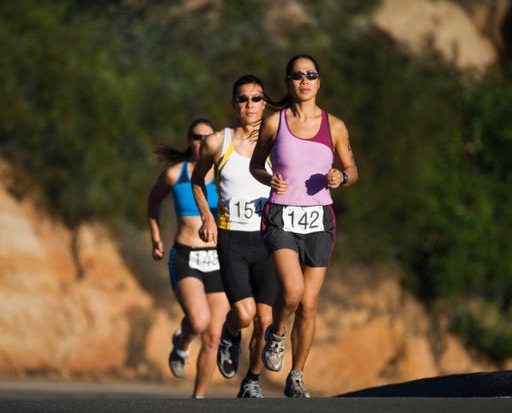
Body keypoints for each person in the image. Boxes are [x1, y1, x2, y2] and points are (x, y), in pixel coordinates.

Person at [249, 54, 358, 398]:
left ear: (319, 82)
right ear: (288, 82)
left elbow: (352, 169)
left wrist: (342, 177)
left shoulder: (335, 126)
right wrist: (268, 178)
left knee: (309, 305)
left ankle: (296, 375)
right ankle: (277, 334)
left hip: (319, 219)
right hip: (281, 215)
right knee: (292, 292)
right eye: (297, 75)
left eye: (311, 74)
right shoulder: (273, 123)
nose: (305, 80)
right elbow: (255, 166)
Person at [191, 75, 277, 398]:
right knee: (244, 313)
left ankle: (251, 380)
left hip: (268, 239)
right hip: (232, 239)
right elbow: (198, 182)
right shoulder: (217, 142)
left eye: (256, 99)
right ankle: (230, 331)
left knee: (265, 319)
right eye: (243, 99)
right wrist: (206, 216)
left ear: (264, 103)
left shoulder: (276, 142)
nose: (250, 105)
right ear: (233, 104)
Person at [147, 118, 230, 399]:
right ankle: (181, 345)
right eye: (197, 136)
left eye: (208, 136)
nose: (202, 141)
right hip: (186, 256)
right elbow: (153, 201)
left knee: (213, 337)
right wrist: (155, 237)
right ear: (189, 140)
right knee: (198, 321)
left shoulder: (224, 174)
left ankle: (199, 398)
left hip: (218, 259)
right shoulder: (176, 174)